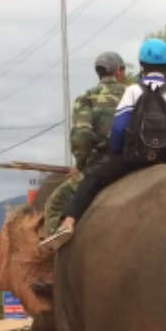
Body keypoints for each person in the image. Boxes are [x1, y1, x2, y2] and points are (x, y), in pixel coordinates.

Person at [42, 37, 166, 250]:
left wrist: (116, 154)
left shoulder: (131, 92)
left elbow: (118, 130)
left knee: (87, 182)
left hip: (130, 159)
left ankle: (68, 224)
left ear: (141, 65)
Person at [43, 51, 130, 237]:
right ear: (119, 72)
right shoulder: (135, 94)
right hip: (141, 159)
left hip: (104, 165)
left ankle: (54, 256)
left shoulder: (87, 99)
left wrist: (82, 165)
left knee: (55, 204)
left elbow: (81, 138)